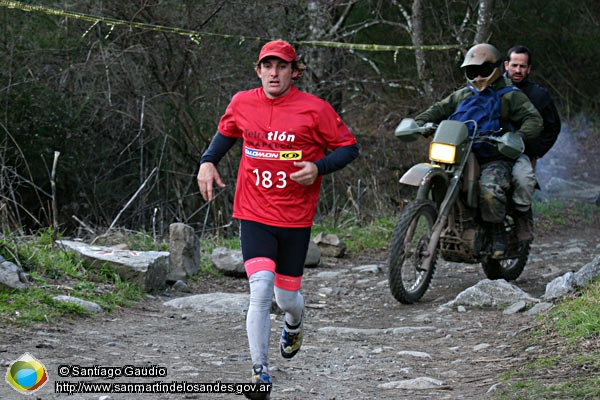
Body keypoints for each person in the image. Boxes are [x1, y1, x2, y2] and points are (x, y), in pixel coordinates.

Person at [196, 40, 359, 400]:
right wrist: (208, 161)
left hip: (295, 218)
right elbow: (225, 134)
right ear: (258, 71)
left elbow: (349, 147)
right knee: (260, 290)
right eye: (267, 66)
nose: (274, 72)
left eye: (282, 66)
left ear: (294, 72)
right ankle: (260, 373)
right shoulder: (242, 102)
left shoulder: (314, 110)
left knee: (287, 299)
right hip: (254, 212)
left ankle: (295, 322)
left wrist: (318, 167)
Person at [414, 43, 542, 258]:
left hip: (496, 156)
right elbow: (438, 109)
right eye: (473, 71)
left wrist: (515, 136)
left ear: (495, 68)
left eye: (483, 70)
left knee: (490, 190)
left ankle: (497, 229)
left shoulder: (510, 95)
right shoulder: (464, 94)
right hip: (461, 154)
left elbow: (533, 119)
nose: (478, 75)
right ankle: (435, 219)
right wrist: (420, 124)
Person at [504, 45, 562, 242]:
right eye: (514, 65)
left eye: (522, 66)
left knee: (524, 179)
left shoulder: (539, 95)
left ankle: (522, 217)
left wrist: (534, 152)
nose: (518, 70)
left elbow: (552, 127)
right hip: (487, 148)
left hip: (520, 152)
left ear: (529, 69)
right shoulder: (492, 87)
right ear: (506, 65)